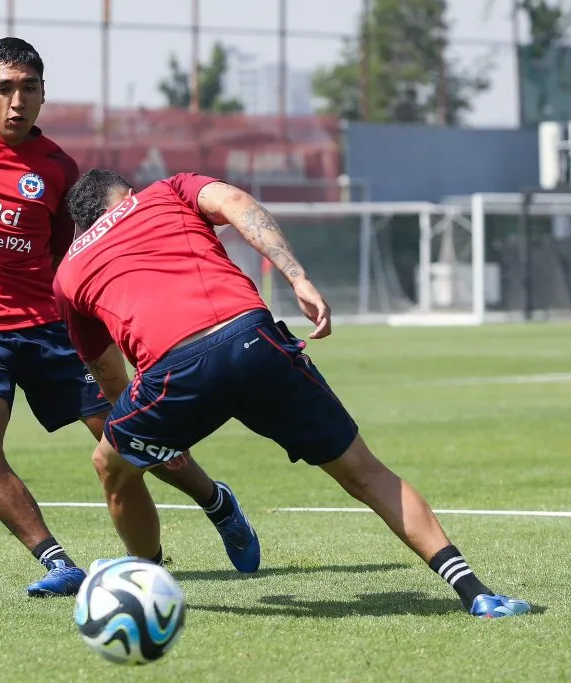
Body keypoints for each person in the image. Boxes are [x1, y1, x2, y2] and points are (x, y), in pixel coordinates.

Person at [0, 38, 259, 596]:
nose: (16, 101)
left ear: (42, 95)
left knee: (132, 441)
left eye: (28, 89)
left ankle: (215, 501)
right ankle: (60, 563)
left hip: (50, 331)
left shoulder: (58, 168)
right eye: (4, 88)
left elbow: (70, 261)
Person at [54, 168, 531, 619]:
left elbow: (106, 370)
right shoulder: (168, 191)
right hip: (253, 340)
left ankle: (145, 581)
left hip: (174, 375)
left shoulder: (69, 271)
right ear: (128, 195)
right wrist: (297, 277)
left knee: (110, 466)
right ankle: (477, 594)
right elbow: (237, 203)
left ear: (83, 225)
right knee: (365, 472)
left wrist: (145, 436)